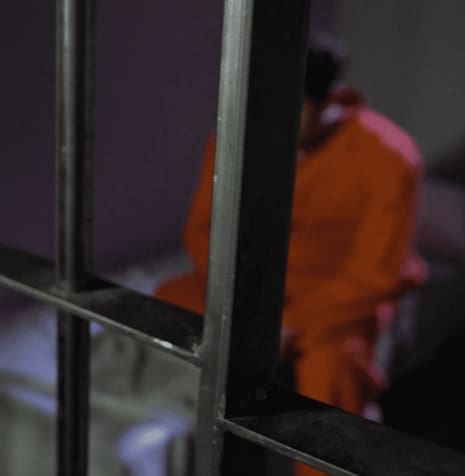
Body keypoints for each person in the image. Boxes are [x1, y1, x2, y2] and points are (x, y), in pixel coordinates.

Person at [155, 36, 427, 430]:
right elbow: (203, 232)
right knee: (165, 309)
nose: (272, 124)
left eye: (291, 109)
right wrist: (246, 303)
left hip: (336, 303)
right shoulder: (236, 136)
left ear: (327, 102)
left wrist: (291, 322)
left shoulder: (389, 155)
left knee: (331, 375)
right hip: (249, 290)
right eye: (263, 108)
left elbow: (375, 274)